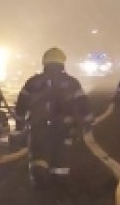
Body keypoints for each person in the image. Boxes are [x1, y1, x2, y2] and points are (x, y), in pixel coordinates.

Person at [14, 48, 92, 191]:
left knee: (38, 158)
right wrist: (87, 123)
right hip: (64, 128)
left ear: (44, 62)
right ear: (63, 62)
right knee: (60, 162)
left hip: (38, 127)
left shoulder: (33, 82)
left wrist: (19, 124)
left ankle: (39, 186)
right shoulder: (72, 83)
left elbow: (21, 104)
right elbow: (82, 105)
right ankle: (58, 194)